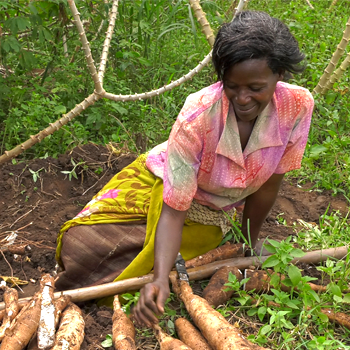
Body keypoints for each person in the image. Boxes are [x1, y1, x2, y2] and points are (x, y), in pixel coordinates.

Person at [55, 11, 314, 327]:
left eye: (256, 87)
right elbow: (174, 209)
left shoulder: (297, 107)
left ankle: (199, 243)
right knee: (82, 245)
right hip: (164, 182)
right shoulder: (198, 117)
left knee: (197, 241)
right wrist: (161, 279)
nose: (242, 98)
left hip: (207, 210)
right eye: (231, 86)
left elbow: (270, 183)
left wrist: (247, 242)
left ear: (280, 75)